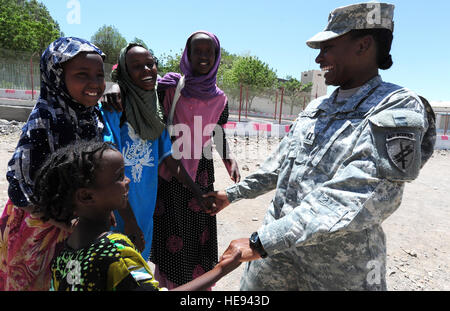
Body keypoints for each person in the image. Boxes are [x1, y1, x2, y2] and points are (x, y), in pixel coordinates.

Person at [206, 3, 436, 290]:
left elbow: (364, 192)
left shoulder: (396, 106)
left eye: (328, 47)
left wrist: (261, 242)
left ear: (363, 45)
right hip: (275, 256)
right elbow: (281, 165)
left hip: (340, 269)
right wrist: (232, 194)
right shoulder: (318, 107)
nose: (318, 58)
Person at [0, 37, 142, 291]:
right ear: (57, 77)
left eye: (99, 75)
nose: (94, 83)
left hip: (77, 222)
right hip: (38, 227)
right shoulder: (44, 122)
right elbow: (21, 185)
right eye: (82, 75)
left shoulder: (93, 116)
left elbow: (99, 173)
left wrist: (116, 214)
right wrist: (61, 221)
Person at [30, 140, 241, 291]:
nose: (128, 181)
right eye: (119, 177)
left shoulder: (66, 250)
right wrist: (221, 269)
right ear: (86, 196)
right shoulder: (115, 251)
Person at [100, 43, 211, 262]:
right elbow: (107, 170)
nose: (146, 70)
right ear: (124, 71)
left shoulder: (154, 112)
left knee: (138, 271)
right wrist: (129, 220)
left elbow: (170, 160)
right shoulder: (114, 108)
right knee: (112, 272)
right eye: (136, 66)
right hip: (118, 211)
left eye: (150, 64)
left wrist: (198, 193)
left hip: (144, 212)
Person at [151, 31, 240, 289]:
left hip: (201, 172)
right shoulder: (170, 88)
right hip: (170, 171)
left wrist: (230, 161)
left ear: (216, 57)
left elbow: (217, 132)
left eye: (208, 52)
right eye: (197, 51)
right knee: (171, 235)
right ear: (187, 55)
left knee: (199, 234)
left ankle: (199, 287)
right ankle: (172, 284)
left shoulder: (220, 98)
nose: (203, 57)